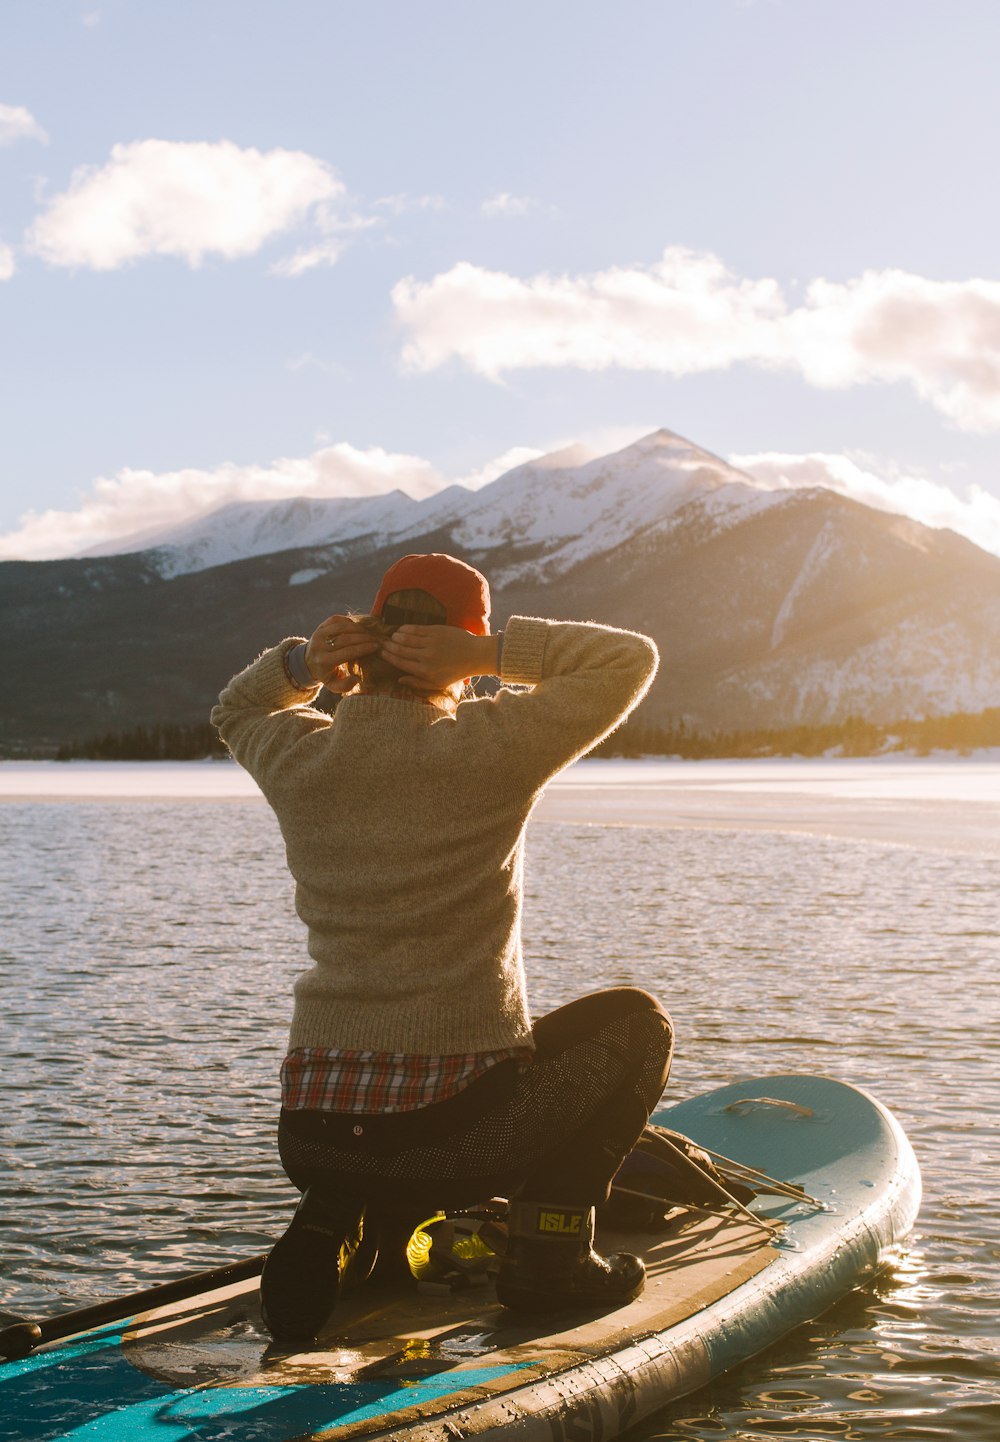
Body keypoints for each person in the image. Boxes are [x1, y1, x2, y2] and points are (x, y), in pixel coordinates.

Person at [211, 552, 673, 1343]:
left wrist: (301, 662)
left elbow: (235, 711)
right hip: (452, 1140)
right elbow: (628, 658)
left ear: (369, 639)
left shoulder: (301, 756)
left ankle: (337, 1217)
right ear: (459, 647)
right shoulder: (492, 744)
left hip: (312, 1129)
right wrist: (494, 659)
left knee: (386, 1123)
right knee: (637, 1026)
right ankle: (551, 1261)